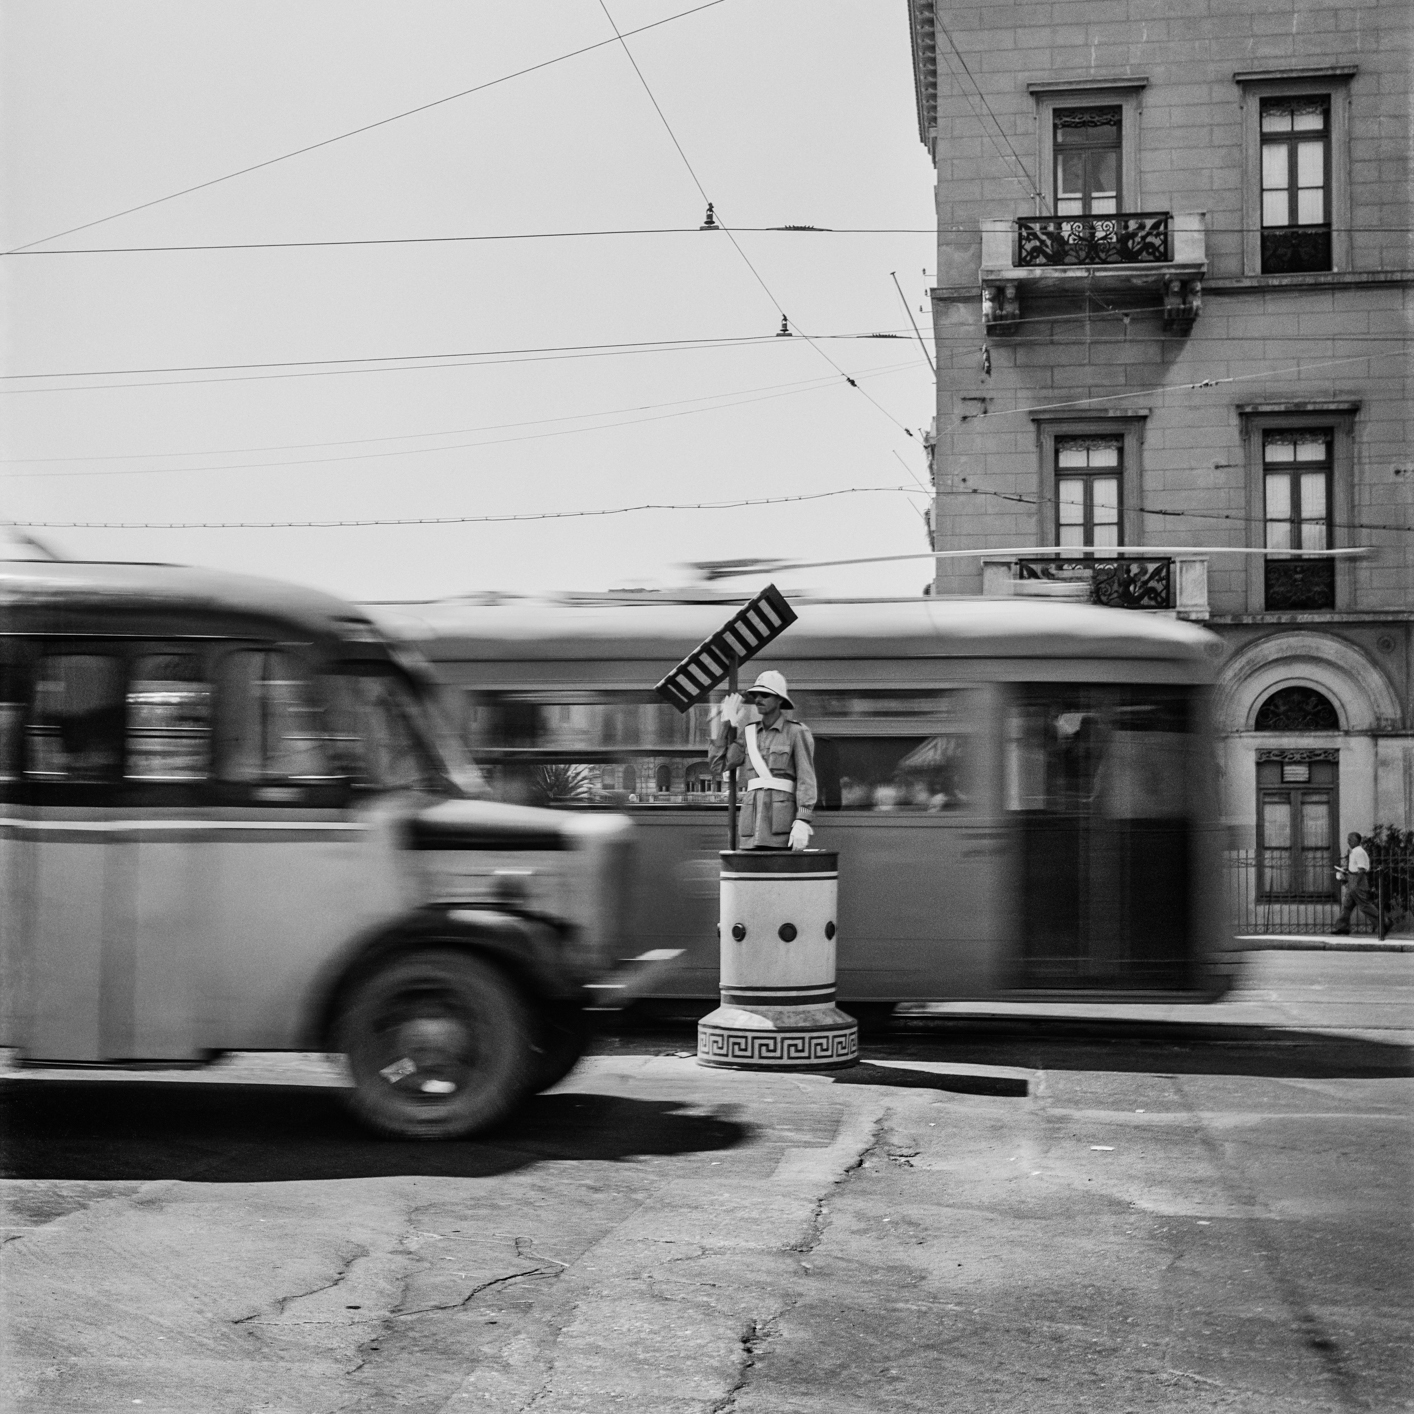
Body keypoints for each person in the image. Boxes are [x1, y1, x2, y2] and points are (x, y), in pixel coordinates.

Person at [709, 669, 816, 850]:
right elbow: (718, 765)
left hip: (781, 828)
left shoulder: (796, 732)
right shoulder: (748, 733)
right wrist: (726, 724)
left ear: (780, 700)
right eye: (755, 695)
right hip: (750, 828)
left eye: (765, 695)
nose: (758, 699)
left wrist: (802, 819)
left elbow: (806, 778)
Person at [1333, 831, 1381, 935]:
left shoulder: (1358, 852)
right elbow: (1356, 868)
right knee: (1347, 905)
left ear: (1357, 840)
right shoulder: (1354, 851)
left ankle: (1383, 922)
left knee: (1364, 905)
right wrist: (1347, 871)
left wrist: (1356, 883)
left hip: (1357, 881)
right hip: (1353, 879)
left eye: (1350, 839)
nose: (1348, 841)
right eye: (1348, 839)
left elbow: (1361, 869)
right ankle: (1342, 926)